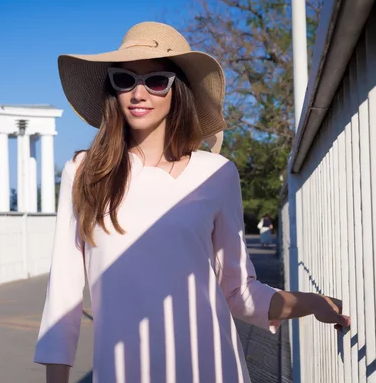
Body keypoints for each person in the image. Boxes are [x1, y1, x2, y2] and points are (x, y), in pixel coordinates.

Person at [34, 21, 350, 383]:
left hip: (213, 369)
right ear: (113, 90)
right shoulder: (84, 171)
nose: (139, 94)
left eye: (155, 81)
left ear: (177, 89)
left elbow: (238, 290)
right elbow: (63, 296)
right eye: (125, 80)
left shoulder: (217, 173)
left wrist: (312, 304)